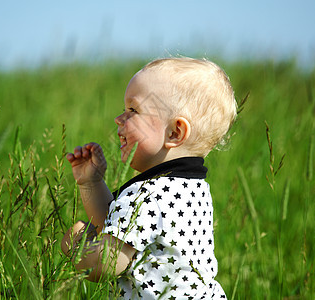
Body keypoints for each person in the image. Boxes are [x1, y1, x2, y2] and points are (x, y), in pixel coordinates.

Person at [61, 57, 236, 299]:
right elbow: (118, 227)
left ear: (174, 132)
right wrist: (91, 182)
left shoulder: (147, 195)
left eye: (133, 110)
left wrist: (76, 245)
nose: (118, 119)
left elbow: (108, 263)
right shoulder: (194, 189)